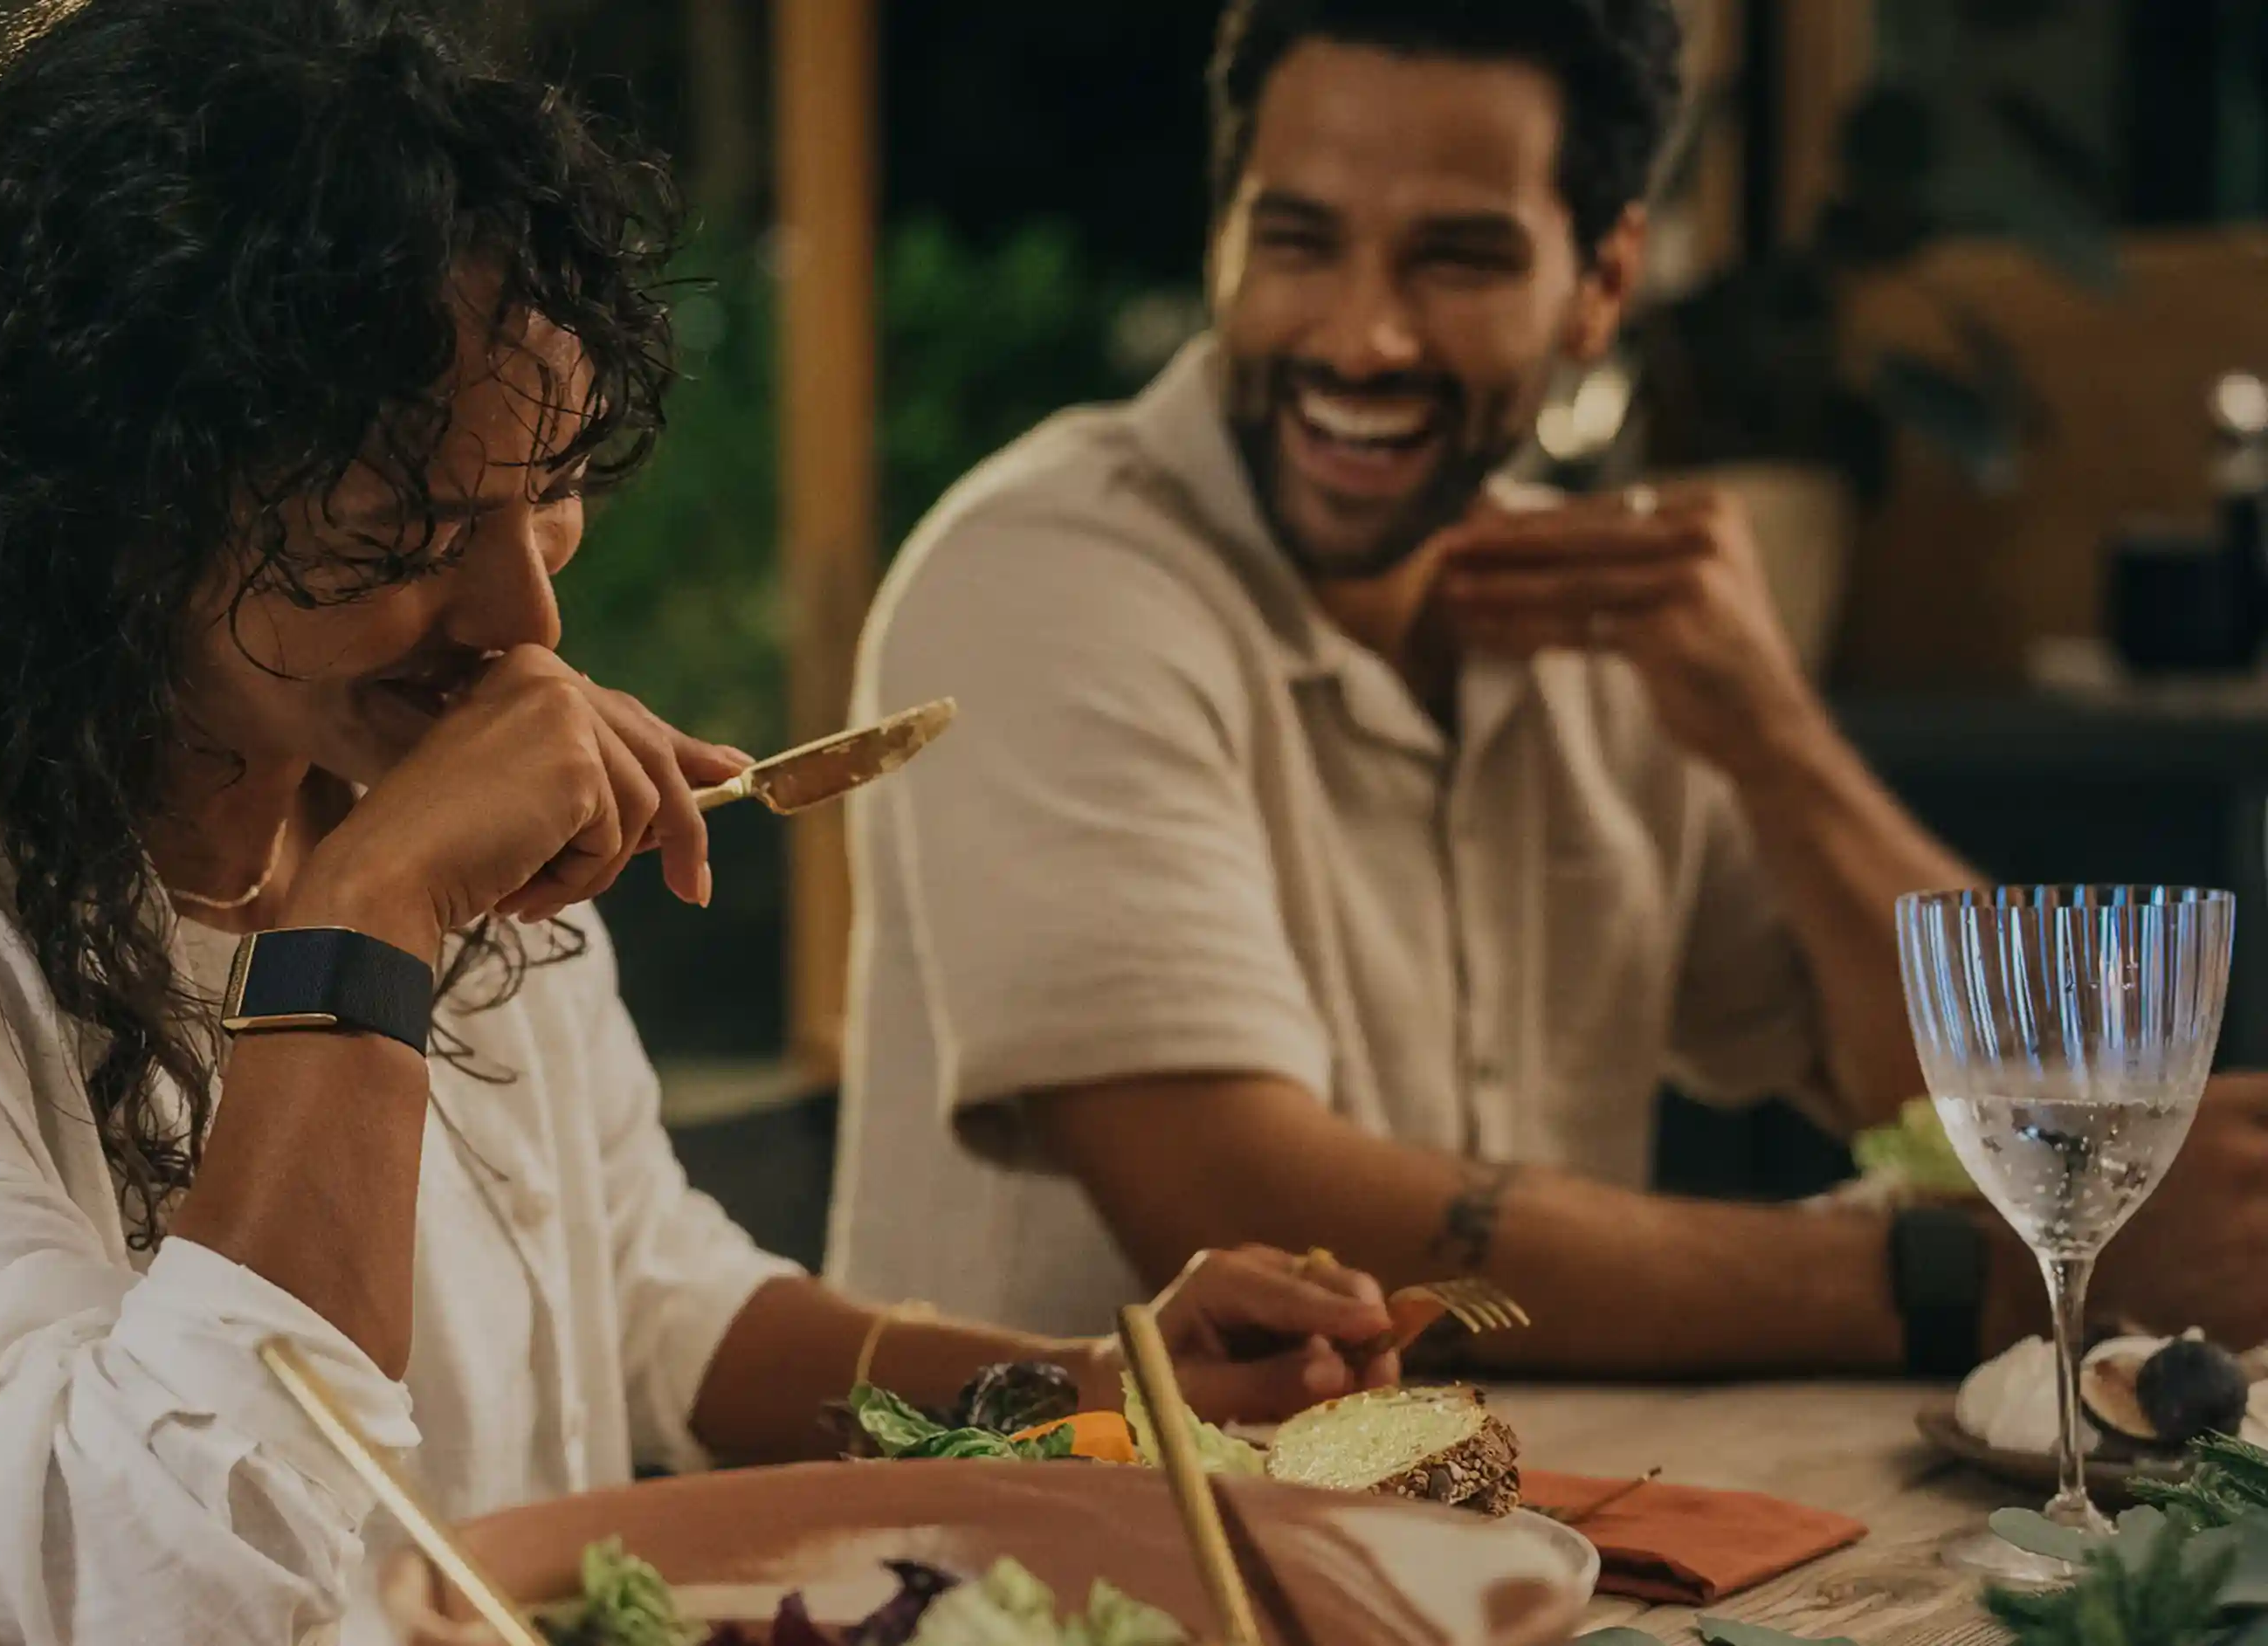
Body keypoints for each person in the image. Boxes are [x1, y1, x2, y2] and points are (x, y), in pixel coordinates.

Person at [0, 6, 1401, 1644]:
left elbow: (657, 1312)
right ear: (99, 515)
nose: (530, 624)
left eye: (550, 493)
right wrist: (374, 918)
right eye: (403, 538)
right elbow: (152, 1592)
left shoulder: (386, 807)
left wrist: (1090, 1396)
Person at [832, 0, 2268, 1381]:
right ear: (1222, 243)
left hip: (1513, 1553)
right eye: (1299, 240)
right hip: (1073, 1583)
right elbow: (1240, 1203)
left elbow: (1964, 1109)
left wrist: (1775, 743)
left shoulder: (1603, 621)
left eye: (1455, 260)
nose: (1360, 337)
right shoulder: (1040, 578)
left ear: (1600, 287)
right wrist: (1984, 1280)